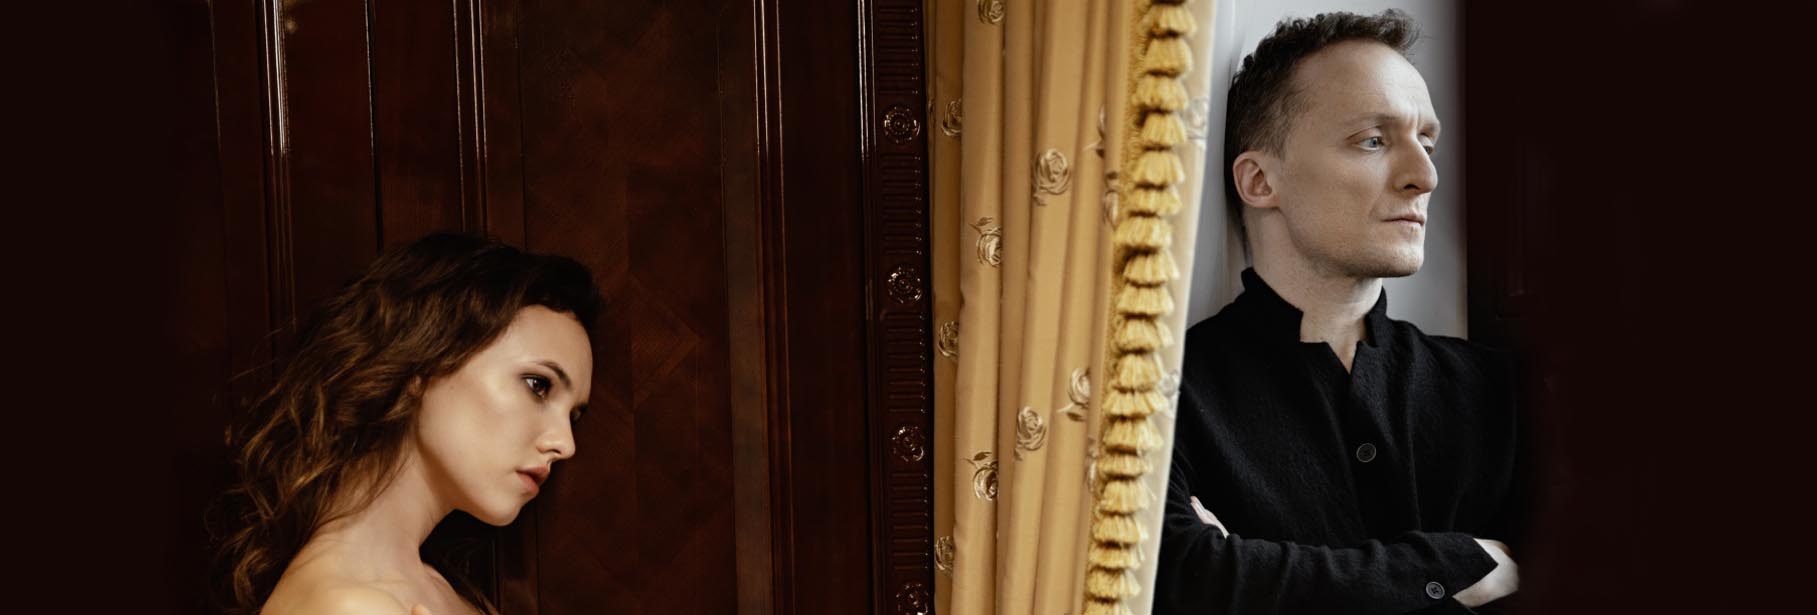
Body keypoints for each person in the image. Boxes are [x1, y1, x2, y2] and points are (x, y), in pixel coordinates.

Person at [1155, 10, 1523, 614]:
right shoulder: (1161, 400)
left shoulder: (1499, 392)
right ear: (1259, 181)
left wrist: (1258, 575)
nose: (1425, 175)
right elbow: (1189, 582)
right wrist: (1454, 565)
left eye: (1427, 142)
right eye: (1373, 140)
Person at [210, 233, 602, 615]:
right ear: (423, 361)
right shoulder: (347, 606)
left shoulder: (438, 589)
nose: (565, 444)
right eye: (538, 385)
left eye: (572, 415)